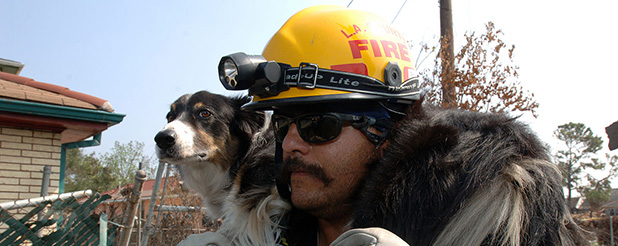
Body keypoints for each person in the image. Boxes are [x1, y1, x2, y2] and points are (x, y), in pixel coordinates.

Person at [215, 5, 589, 246]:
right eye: (282, 125)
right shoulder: (259, 228)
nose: (290, 144)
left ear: (386, 134)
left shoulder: (482, 222)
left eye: (319, 125)